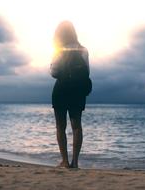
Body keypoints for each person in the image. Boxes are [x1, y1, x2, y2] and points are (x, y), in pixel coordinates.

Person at [50, 21, 90, 168]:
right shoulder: (83, 50)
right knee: (77, 126)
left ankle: (65, 161)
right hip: (77, 92)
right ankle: (76, 162)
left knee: (60, 126)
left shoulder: (58, 50)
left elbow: (53, 72)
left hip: (61, 90)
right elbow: (87, 72)